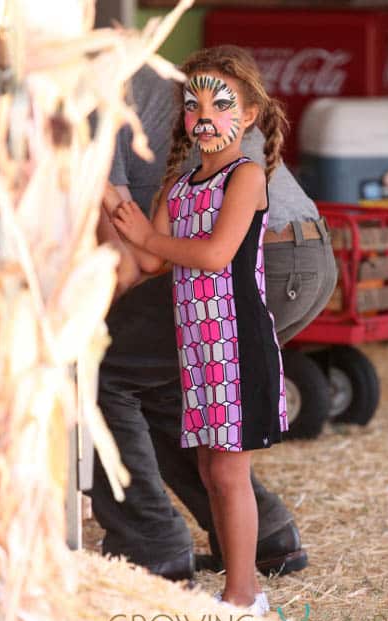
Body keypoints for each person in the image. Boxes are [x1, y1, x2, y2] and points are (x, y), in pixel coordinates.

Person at [90, 54, 335, 585]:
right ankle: (265, 536)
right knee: (155, 384)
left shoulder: (87, 91)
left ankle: (150, 542)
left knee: (97, 366)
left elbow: (131, 261)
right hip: (311, 254)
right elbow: (148, 254)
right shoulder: (157, 102)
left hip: (256, 266)